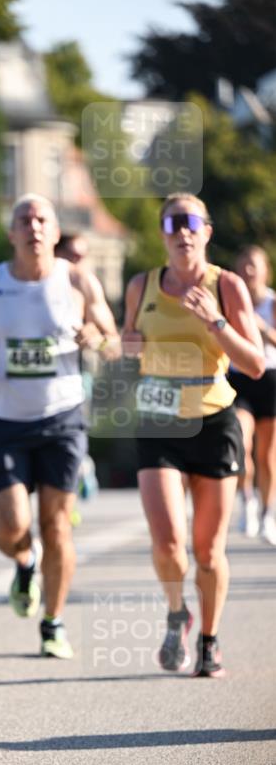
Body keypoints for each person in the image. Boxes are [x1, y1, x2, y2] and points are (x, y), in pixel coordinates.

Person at [0, 194, 119, 658]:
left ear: (54, 232)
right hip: (6, 421)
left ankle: (53, 623)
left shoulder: (77, 280)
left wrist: (96, 337)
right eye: (24, 220)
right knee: (10, 528)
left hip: (62, 419)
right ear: (11, 233)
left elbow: (113, 341)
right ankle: (24, 563)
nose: (33, 226)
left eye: (41, 219)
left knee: (56, 526)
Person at [122, 193, 264, 679]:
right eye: (172, 222)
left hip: (213, 419)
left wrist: (215, 322)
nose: (182, 231)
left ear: (207, 232)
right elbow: (128, 349)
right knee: (168, 544)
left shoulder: (226, 285)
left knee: (207, 550)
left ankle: (209, 639)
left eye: (191, 222)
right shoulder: (141, 286)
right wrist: (126, 347)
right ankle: (176, 611)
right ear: (162, 234)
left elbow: (254, 364)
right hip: (158, 420)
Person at [229, 245, 276, 545]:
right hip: (239, 378)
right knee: (240, 444)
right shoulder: (230, 301)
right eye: (243, 265)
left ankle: (268, 514)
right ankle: (247, 500)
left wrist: (261, 328)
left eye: (253, 265)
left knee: (268, 456)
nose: (248, 271)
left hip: (269, 378)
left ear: (265, 270)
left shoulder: (272, 303)